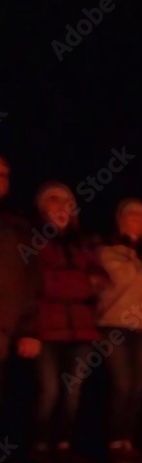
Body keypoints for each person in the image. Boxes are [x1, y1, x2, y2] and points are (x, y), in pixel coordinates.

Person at [33, 182, 107, 459]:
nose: (61, 205)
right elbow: (37, 282)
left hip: (81, 327)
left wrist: (87, 283)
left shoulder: (84, 243)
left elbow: (101, 280)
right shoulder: (34, 240)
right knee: (48, 389)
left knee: (72, 390)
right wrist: (77, 283)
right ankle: (39, 442)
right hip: (46, 326)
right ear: (42, 207)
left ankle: (63, 442)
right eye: (53, 199)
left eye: (66, 201)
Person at [96, 198, 142, 459]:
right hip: (115, 323)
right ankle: (113, 439)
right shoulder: (108, 251)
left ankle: (128, 439)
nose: (137, 219)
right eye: (131, 215)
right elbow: (127, 278)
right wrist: (141, 258)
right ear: (121, 220)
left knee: (137, 387)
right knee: (121, 384)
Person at [0, 157, 41, 393]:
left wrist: (29, 330)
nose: (2, 180)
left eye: (5, 174)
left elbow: (30, 279)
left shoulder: (17, 225)